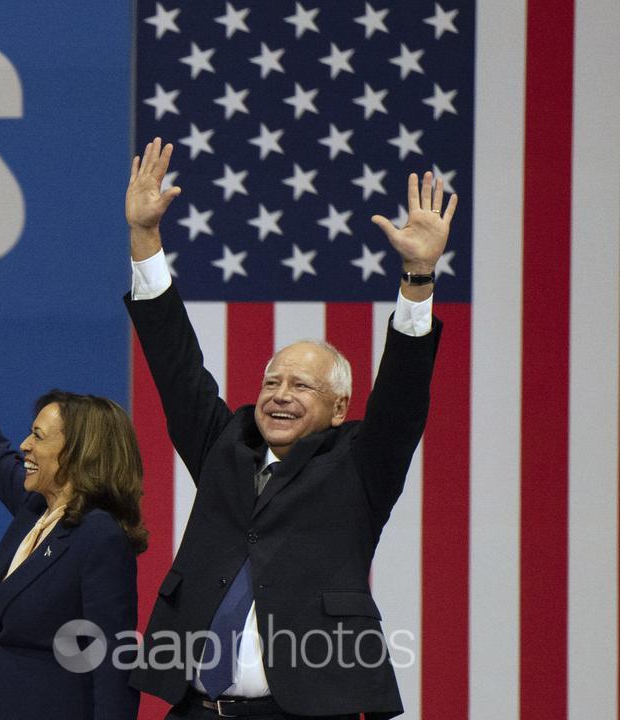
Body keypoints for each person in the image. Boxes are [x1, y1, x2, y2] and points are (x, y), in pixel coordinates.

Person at [123, 138, 456, 720]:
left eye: (301, 386)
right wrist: (147, 241)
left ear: (338, 406)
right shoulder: (224, 445)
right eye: (272, 381)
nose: (278, 395)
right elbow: (175, 364)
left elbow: (403, 396)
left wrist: (418, 275)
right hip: (196, 708)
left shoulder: (360, 464)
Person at [0, 267, 145, 720]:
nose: (25, 447)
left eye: (38, 437)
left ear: (77, 453)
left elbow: (112, 665)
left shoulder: (100, 538)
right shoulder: (37, 507)